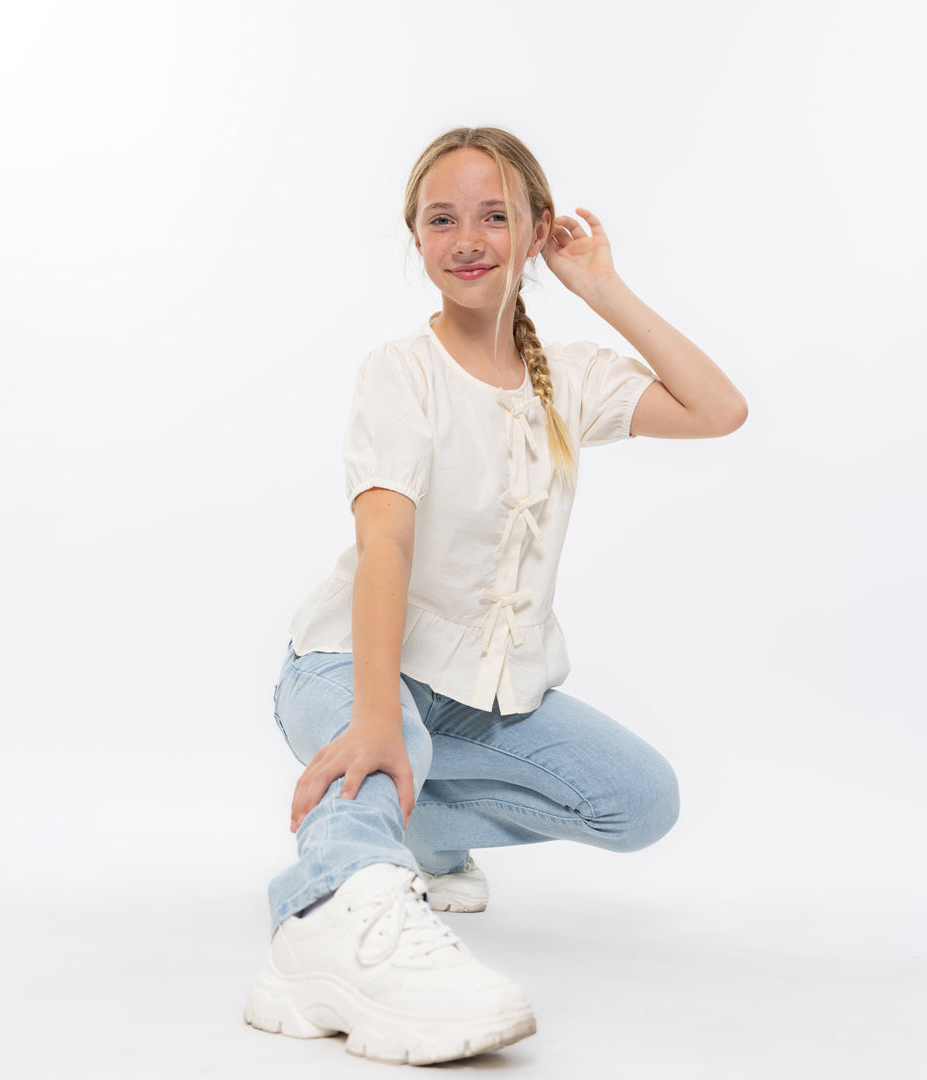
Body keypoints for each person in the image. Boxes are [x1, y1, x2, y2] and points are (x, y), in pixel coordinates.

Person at [244, 126, 747, 1065]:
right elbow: (386, 540)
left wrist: (599, 286)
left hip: (486, 694)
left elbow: (719, 410)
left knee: (641, 802)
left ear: (536, 232)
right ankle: (327, 922)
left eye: (495, 217)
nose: (467, 240)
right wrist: (375, 716)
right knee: (392, 746)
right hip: (349, 662)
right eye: (442, 220)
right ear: (416, 237)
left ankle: (414, 828)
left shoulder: (573, 380)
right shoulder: (402, 370)